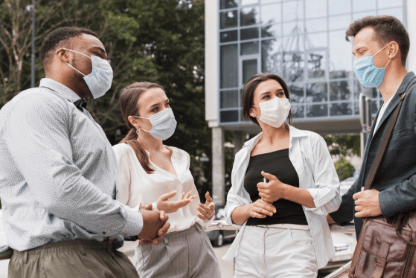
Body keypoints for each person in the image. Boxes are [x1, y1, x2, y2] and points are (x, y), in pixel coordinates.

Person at [0, 27, 170, 278]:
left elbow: (81, 201)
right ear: (64, 55)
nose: (106, 64)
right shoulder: (36, 103)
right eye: (97, 55)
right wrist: (137, 222)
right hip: (61, 260)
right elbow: (60, 191)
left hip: (96, 255)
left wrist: (133, 223)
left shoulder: (79, 115)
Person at [327, 16, 416, 238]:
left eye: (361, 52)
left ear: (391, 50)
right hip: (389, 247)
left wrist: (384, 200)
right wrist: (326, 217)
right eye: (354, 55)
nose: (356, 61)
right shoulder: (385, 107)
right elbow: (365, 184)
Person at [223, 73, 341, 278]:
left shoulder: (311, 142)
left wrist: (284, 191)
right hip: (249, 246)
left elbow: (333, 199)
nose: (276, 101)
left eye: (280, 94)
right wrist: (250, 208)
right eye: (266, 97)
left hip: (295, 245)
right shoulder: (244, 154)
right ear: (252, 110)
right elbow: (231, 210)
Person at [113, 82, 221, 278]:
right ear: (135, 121)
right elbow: (112, 212)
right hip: (159, 247)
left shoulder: (181, 156)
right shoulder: (122, 155)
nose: (166, 112)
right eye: (155, 109)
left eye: (166, 104)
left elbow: (192, 208)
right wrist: (155, 209)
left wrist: (205, 215)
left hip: (199, 243)